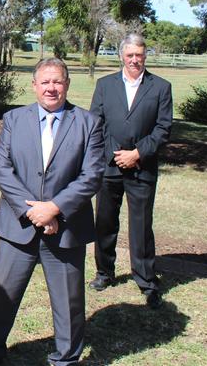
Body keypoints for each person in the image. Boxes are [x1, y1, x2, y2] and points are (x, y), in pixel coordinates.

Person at [0, 58, 104, 366]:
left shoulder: (88, 123)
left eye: (57, 81)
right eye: (44, 82)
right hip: (18, 227)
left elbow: (92, 175)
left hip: (65, 228)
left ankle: (66, 359)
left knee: (69, 302)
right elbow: (3, 169)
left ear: (67, 85)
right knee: (2, 295)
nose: (51, 88)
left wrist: (55, 209)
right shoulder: (15, 119)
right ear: (34, 86)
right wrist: (32, 211)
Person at [89, 33, 172, 309]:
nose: (135, 60)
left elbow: (163, 129)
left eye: (139, 55)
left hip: (142, 168)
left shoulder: (161, 87)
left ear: (145, 55)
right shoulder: (105, 85)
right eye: (130, 55)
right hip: (109, 167)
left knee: (141, 226)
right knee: (104, 222)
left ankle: (147, 280)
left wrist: (137, 153)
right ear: (121, 56)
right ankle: (104, 272)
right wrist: (117, 155)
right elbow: (96, 124)